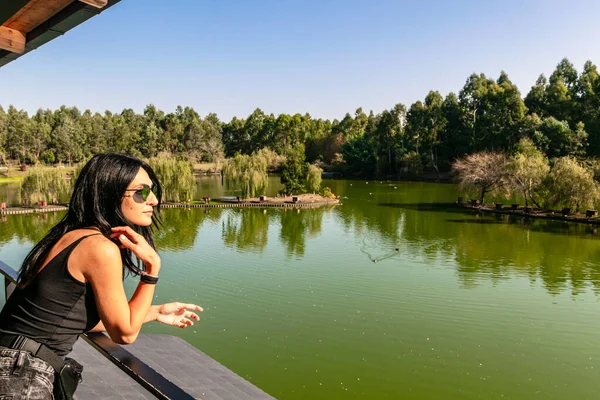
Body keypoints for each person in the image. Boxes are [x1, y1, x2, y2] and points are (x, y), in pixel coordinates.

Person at [0, 153, 203, 399]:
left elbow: (68, 317)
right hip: (20, 375)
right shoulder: (99, 248)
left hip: (13, 363)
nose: (154, 200)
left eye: (153, 190)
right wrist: (152, 269)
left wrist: (155, 312)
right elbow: (124, 334)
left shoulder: (73, 235)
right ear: (110, 193)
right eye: (142, 192)